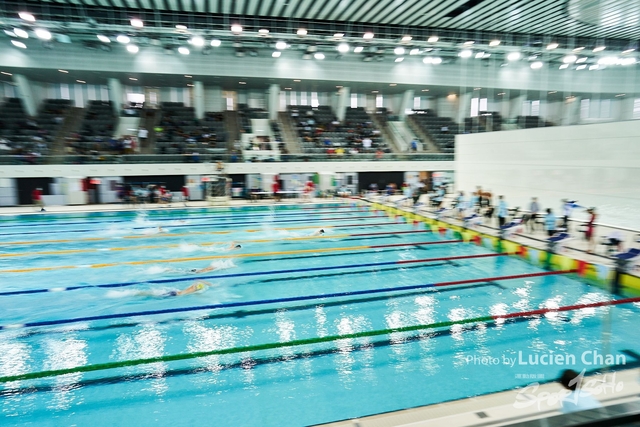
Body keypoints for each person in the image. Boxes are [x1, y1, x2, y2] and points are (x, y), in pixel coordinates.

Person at [138, 281, 214, 297]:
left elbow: (198, 280)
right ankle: (140, 293)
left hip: (175, 292)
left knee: (154, 294)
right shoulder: (194, 290)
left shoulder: (192, 288)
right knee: (154, 295)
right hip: (175, 294)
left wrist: (210, 284)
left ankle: (140, 293)